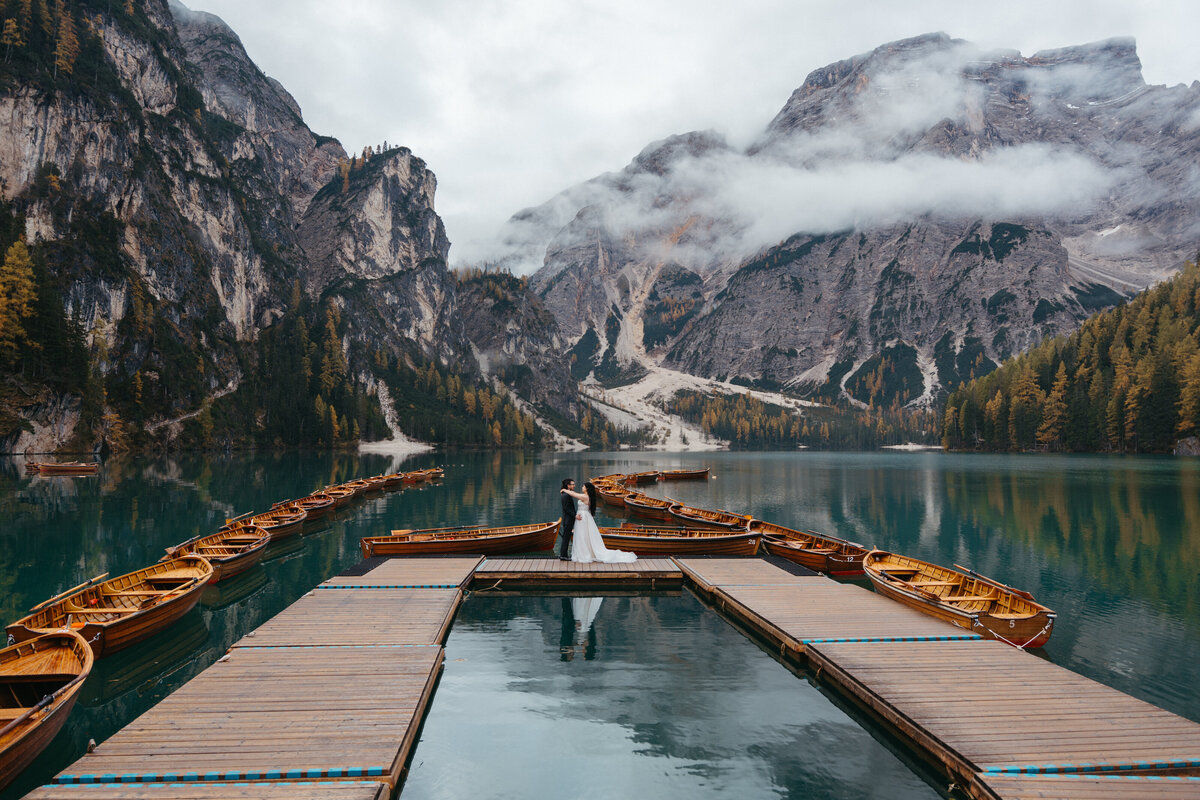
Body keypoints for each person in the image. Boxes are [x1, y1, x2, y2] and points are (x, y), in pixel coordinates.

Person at [562, 482, 637, 564]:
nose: (582, 487)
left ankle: (584, 554)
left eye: (583, 486)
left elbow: (574, 494)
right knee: (583, 535)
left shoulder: (585, 497)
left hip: (583, 518)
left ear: (587, 488)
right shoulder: (586, 496)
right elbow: (574, 493)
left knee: (583, 535)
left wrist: (564, 490)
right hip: (583, 517)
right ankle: (584, 553)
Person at [558, 478, 580, 561]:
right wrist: (575, 515)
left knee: (566, 537)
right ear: (568, 485)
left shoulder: (566, 493)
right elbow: (567, 508)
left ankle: (563, 555)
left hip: (568, 519)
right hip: (568, 520)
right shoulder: (566, 495)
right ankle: (563, 556)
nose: (574, 486)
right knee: (566, 538)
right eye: (573, 484)